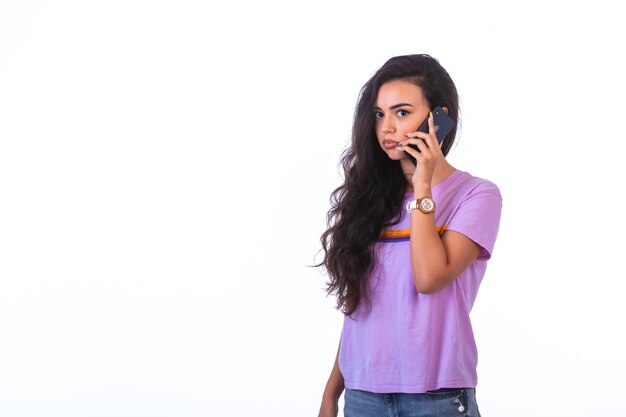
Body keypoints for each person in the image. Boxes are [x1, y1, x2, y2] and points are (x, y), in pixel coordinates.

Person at [316, 54, 502, 417]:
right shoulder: (368, 199)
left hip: (436, 398)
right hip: (361, 395)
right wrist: (330, 392)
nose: (387, 127)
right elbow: (363, 307)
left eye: (402, 112)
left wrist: (422, 186)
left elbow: (429, 278)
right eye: (379, 114)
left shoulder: (476, 195)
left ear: (439, 119)